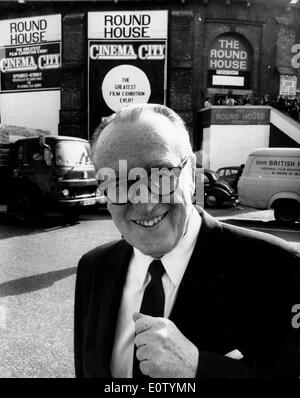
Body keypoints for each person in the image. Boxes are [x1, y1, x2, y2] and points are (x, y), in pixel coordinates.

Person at [74, 103, 300, 378]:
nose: (144, 203)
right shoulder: (94, 268)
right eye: (119, 183)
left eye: (162, 175)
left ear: (192, 174)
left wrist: (199, 366)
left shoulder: (278, 267)